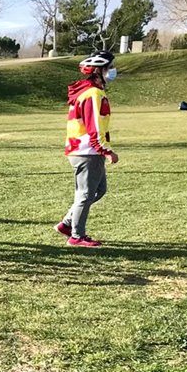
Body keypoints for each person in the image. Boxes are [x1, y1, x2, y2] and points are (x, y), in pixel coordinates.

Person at [56, 51, 119, 247]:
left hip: (86, 150)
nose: (113, 71)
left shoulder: (91, 91)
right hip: (86, 151)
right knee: (85, 194)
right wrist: (105, 150)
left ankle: (67, 224)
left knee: (99, 190)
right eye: (109, 67)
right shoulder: (92, 93)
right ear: (99, 71)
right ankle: (77, 236)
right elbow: (94, 125)